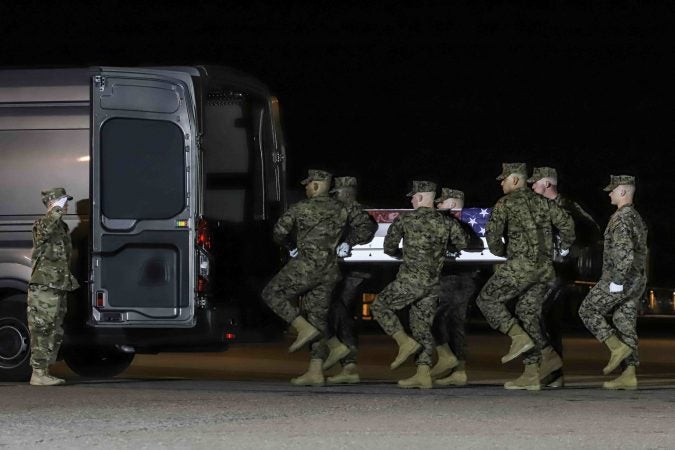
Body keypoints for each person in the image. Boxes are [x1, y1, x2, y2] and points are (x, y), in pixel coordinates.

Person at [261, 169, 374, 386]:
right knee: (317, 318)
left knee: (271, 293)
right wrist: (348, 242)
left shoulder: (301, 207)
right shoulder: (343, 208)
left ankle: (301, 327)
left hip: (306, 266)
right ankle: (316, 370)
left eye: (308, 183)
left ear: (316, 185)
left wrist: (290, 246)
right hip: (330, 271)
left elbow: (278, 232)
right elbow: (366, 227)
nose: (305, 187)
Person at [476, 163, 574, 390]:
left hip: (520, 266)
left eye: (504, 179)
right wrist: (564, 248)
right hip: (545, 270)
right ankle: (537, 366)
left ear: (516, 180)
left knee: (486, 300)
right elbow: (567, 224)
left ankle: (516, 336)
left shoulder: (505, 203)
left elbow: (493, 237)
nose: (501, 183)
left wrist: (503, 253)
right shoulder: (543, 202)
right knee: (526, 312)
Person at [371, 180, 468, 389]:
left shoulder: (406, 219)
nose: (412, 200)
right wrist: (442, 249)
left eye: (414, 197)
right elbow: (463, 242)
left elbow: (389, 248)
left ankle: (403, 342)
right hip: (433, 283)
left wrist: (402, 254)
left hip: (410, 280)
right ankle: (423, 373)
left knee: (379, 305)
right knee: (421, 326)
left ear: (422, 197)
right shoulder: (446, 222)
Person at [528, 166, 603, 387]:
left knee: (532, 312)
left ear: (548, 184)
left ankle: (549, 362)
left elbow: (593, 230)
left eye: (536, 182)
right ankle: (554, 376)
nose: (532, 186)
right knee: (550, 321)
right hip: (545, 269)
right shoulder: (543, 206)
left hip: (558, 270)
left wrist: (570, 251)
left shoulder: (567, 206)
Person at [578, 175, 647, 390]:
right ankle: (629, 374)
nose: (609, 194)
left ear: (623, 192)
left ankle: (616, 347)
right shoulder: (636, 217)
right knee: (623, 320)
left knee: (588, 310)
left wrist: (616, 281)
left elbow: (624, 254)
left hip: (621, 279)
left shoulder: (621, 218)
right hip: (636, 279)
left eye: (613, 190)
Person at [323, 176, 377, 384]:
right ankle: (347, 363)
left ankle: (348, 362)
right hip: (344, 269)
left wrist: (348, 242)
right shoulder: (342, 211)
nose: (334, 197)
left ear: (345, 193)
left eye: (336, 193)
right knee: (339, 310)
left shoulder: (354, 209)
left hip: (354, 271)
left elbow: (366, 228)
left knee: (339, 309)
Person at [430, 188, 483, 387]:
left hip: (453, 276)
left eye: (441, 203)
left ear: (452, 204)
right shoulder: (471, 223)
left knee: (436, 318)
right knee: (455, 323)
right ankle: (458, 370)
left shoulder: (450, 222)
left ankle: (448, 360)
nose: (437, 206)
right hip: (468, 277)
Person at [27, 188, 80, 386]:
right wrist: (54, 211)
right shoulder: (43, 223)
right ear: (52, 203)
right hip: (44, 286)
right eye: (62, 202)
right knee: (42, 328)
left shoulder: (63, 226)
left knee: (55, 329)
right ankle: (38, 372)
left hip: (58, 285)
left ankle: (44, 371)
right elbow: (44, 232)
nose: (66, 205)